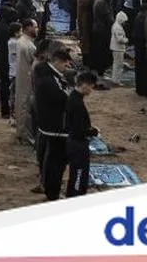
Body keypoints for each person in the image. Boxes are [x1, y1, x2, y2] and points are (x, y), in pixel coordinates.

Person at [34, 48, 75, 201]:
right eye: (65, 65)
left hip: (50, 125)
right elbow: (61, 98)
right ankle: (53, 193)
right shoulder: (49, 79)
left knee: (52, 161)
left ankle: (52, 190)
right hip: (54, 127)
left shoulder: (48, 75)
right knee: (56, 163)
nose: (66, 69)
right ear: (57, 62)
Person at [64, 70, 99, 198]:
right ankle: (75, 196)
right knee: (78, 173)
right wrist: (93, 132)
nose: (91, 90)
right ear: (85, 84)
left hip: (74, 141)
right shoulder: (77, 103)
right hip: (77, 143)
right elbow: (79, 130)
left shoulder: (74, 97)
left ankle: (76, 193)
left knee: (79, 172)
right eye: (91, 86)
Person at [13, 19, 38, 141]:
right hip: (27, 77)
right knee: (25, 106)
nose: (37, 29)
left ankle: (21, 131)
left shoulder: (21, 41)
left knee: (21, 103)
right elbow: (36, 64)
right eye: (35, 27)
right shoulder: (28, 46)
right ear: (28, 28)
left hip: (22, 76)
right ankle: (24, 134)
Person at [109, 11, 129, 81]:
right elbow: (120, 39)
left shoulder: (115, 25)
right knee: (118, 65)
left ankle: (115, 79)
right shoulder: (118, 27)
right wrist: (126, 40)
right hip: (118, 48)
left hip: (116, 48)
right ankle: (116, 80)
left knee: (116, 64)